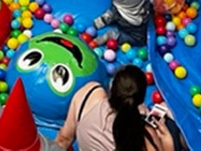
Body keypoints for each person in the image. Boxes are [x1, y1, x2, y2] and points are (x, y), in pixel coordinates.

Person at [55, 65, 186, 151]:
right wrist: (167, 142)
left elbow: (63, 139)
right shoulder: (147, 136)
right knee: (170, 119)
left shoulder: (88, 94)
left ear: (112, 88)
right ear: (140, 99)